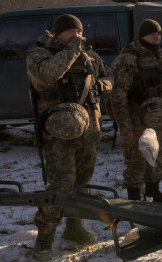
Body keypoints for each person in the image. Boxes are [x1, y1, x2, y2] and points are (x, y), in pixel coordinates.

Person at [26, 14, 113, 260]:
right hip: (58, 136)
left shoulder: (90, 56)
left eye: (79, 31)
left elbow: (110, 77)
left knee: (82, 183)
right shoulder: (39, 55)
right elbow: (47, 76)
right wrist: (74, 49)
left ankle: (74, 228)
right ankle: (44, 240)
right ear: (59, 33)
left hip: (89, 131)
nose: (77, 36)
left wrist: (101, 86)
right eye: (71, 32)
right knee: (60, 187)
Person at [109, 19, 162, 202]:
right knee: (136, 160)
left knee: (159, 156)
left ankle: (153, 190)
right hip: (137, 121)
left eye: (158, 34)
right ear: (142, 36)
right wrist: (125, 125)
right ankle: (134, 197)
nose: (156, 37)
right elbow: (118, 96)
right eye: (152, 34)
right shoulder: (126, 60)